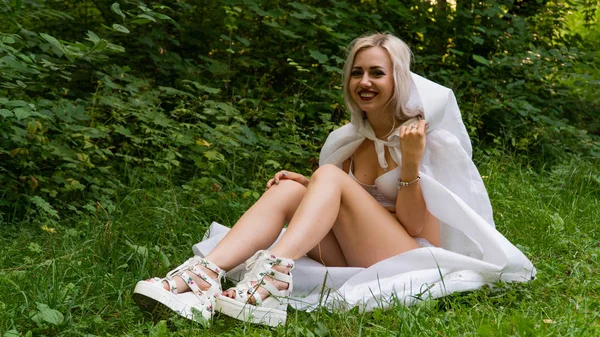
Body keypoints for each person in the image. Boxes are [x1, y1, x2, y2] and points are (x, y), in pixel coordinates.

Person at [132, 32, 536, 327]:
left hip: (408, 257)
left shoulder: (427, 139)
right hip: (361, 251)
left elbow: (419, 229)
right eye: (356, 72)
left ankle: (270, 280)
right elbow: (343, 209)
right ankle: (201, 277)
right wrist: (307, 188)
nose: (364, 82)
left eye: (377, 72)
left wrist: (410, 165)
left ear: (398, 79)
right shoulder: (348, 142)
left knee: (323, 177)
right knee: (291, 186)